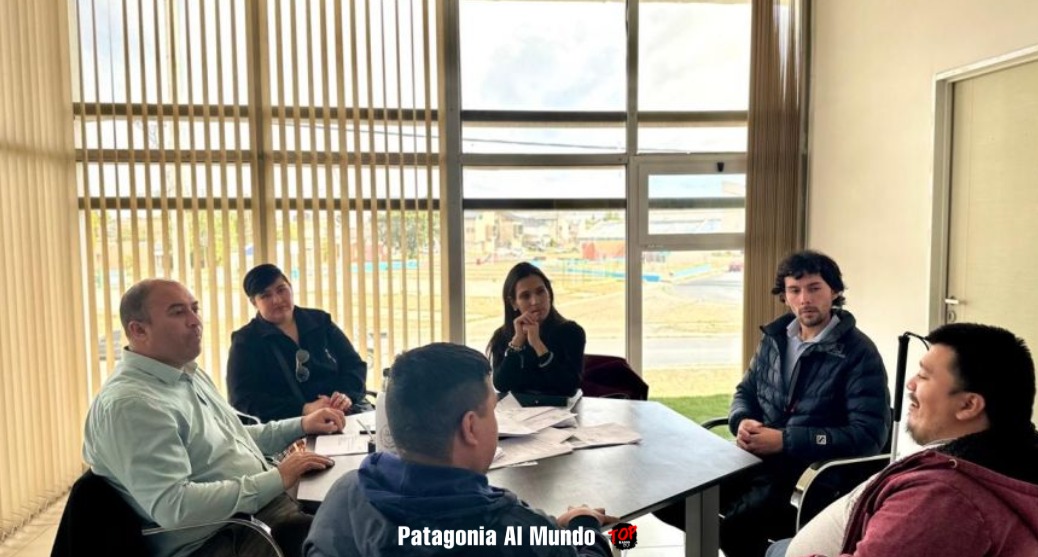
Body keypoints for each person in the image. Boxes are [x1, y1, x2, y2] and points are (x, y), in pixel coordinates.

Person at [83, 279, 345, 557]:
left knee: (354, 503)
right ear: (138, 330)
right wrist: (278, 477)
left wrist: (302, 425)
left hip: (258, 509)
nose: (195, 321)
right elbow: (176, 507)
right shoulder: (133, 406)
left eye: (195, 309)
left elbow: (233, 437)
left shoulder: (185, 372)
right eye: (178, 312)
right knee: (349, 537)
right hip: (224, 536)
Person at [656, 250, 891, 557]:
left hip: (812, 475)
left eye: (814, 288)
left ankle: (741, 541)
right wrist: (742, 420)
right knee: (667, 493)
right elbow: (746, 392)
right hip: (755, 461)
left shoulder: (859, 353)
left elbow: (868, 436)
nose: (804, 299)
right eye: (795, 290)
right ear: (785, 296)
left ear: (834, 291)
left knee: (738, 525)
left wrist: (785, 441)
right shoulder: (775, 338)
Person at [303, 343, 614, 557]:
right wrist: (583, 524)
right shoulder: (517, 533)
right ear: (470, 427)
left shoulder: (344, 496)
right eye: (493, 410)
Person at [768, 323, 1038, 557]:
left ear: (968, 405)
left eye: (924, 376)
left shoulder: (940, 501)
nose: (910, 384)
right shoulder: (1006, 458)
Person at [228, 263, 370, 422]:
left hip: (341, 417)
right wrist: (304, 409)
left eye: (281, 290)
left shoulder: (320, 321)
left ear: (290, 287)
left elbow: (354, 365)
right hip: (287, 428)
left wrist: (345, 396)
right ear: (254, 303)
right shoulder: (246, 340)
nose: (277, 300)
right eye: (266, 296)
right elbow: (242, 398)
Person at [487, 262, 586, 397]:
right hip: (518, 409)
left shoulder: (571, 332)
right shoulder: (502, 336)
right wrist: (517, 342)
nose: (535, 301)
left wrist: (538, 344)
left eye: (540, 292)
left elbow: (569, 387)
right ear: (513, 303)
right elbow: (501, 385)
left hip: (562, 408)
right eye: (525, 296)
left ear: (549, 293)